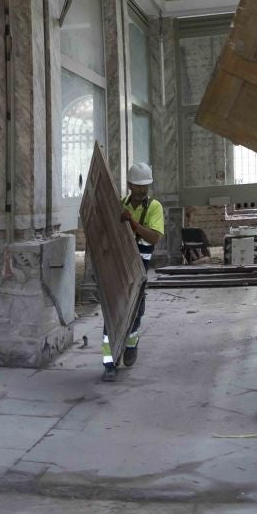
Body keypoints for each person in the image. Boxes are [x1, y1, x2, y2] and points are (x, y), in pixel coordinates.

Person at [102, 163, 165, 382]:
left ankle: (131, 344)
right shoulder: (121, 205)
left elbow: (154, 238)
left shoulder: (154, 207)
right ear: (129, 185)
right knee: (113, 310)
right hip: (118, 265)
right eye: (138, 186)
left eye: (145, 186)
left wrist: (133, 224)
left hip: (140, 267)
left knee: (136, 309)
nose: (142, 190)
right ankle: (109, 363)